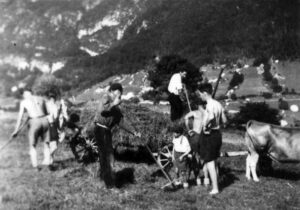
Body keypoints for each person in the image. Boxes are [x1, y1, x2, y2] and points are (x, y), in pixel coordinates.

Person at [93, 83, 140, 188]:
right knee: (108, 156)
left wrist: (134, 131)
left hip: (106, 131)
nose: (119, 95)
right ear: (111, 91)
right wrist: (114, 104)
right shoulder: (106, 98)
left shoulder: (115, 107)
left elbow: (121, 121)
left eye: (120, 93)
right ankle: (109, 184)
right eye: (117, 92)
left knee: (106, 155)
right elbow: (102, 112)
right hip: (100, 129)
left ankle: (104, 177)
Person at [196, 83, 227, 195]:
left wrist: (205, 125)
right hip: (218, 134)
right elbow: (224, 120)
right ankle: (215, 184)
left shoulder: (209, 105)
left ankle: (215, 188)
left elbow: (211, 117)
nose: (200, 96)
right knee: (214, 160)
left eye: (200, 94)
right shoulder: (218, 104)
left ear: (205, 93)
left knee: (209, 162)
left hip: (209, 135)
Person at [11, 88, 51, 168]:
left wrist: (16, 131)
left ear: (25, 94)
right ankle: (47, 162)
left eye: (23, 94)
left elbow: (20, 117)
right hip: (45, 120)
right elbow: (47, 112)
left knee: (32, 145)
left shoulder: (24, 102)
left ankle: (35, 165)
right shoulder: (41, 99)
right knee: (46, 143)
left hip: (34, 121)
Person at [184, 100, 207, 186]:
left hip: (195, 136)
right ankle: (205, 179)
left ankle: (192, 178)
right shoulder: (207, 113)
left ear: (198, 105)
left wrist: (188, 129)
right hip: (204, 137)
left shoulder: (196, 112)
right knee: (204, 158)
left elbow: (186, 117)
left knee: (192, 157)